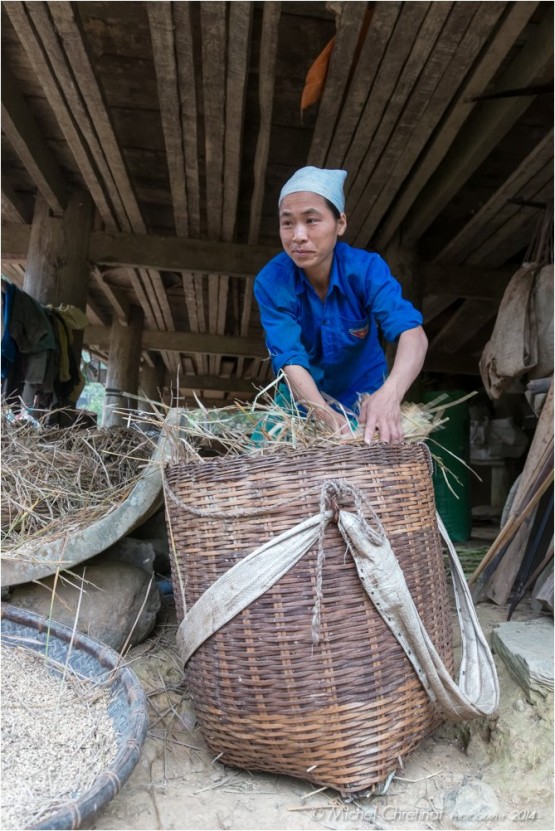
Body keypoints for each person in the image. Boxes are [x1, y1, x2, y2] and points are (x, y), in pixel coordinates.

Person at [253, 166, 428, 444]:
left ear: (341, 223)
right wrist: (322, 413)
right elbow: (289, 357)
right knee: (263, 464)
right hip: (301, 398)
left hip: (365, 395)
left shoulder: (366, 270)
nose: (298, 235)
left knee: (381, 469)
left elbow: (412, 333)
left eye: (311, 220)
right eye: (287, 223)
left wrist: (391, 392)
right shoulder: (272, 282)